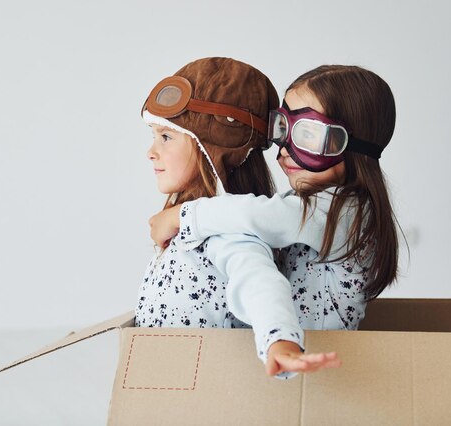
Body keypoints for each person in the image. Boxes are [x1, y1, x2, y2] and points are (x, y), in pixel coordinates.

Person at [150, 64, 399, 365]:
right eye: (283, 128)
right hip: (294, 358)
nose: (284, 149)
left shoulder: (350, 213)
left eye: (307, 135)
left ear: (352, 145)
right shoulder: (304, 207)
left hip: (325, 369)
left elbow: (264, 216)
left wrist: (182, 217)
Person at [137, 57, 341, 377]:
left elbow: (257, 281)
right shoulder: (194, 225)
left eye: (166, 136)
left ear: (211, 148)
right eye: (153, 135)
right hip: (158, 383)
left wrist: (279, 341)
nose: (151, 151)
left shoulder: (223, 231)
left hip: (196, 393)